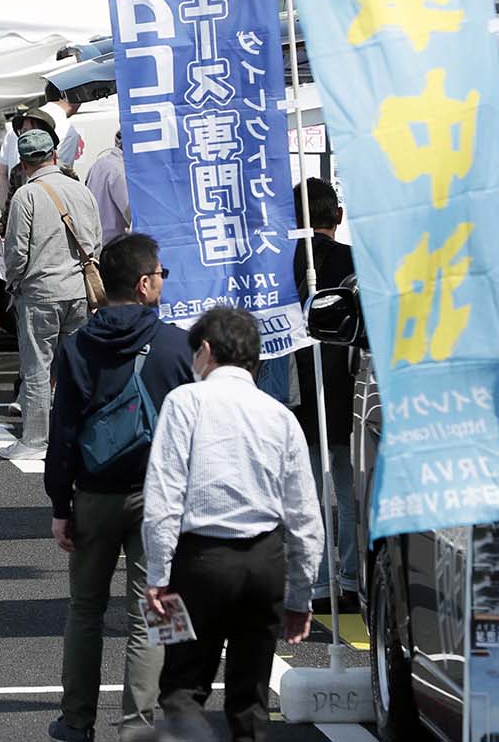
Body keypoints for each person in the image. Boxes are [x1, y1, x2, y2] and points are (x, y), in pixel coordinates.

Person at [142, 307, 322, 742]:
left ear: (204, 350)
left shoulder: (184, 402)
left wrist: (158, 575)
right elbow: (304, 516)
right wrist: (299, 596)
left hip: (201, 560)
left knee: (183, 689)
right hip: (265, 562)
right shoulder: (279, 415)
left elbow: (164, 496)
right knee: (250, 699)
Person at [43, 233, 193, 742]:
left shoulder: (77, 346)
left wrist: (60, 504)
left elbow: (61, 431)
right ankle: (140, 727)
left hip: (93, 494)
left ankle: (75, 721)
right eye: (161, 276)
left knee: (85, 609)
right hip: (158, 499)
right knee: (151, 612)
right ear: (146, 282)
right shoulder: (177, 346)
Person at [2, 128, 102, 460]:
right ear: (54, 155)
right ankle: (77, 438)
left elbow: (16, 252)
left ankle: (34, 441)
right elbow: (95, 243)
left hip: (40, 292)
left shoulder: (25, 196)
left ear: (23, 163)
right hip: (78, 292)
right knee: (75, 369)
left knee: (37, 369)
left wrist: (13, 284)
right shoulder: (80, 191)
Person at [290, 177, 360, 610]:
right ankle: (352, 579)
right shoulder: (355, 262)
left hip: (296, 392)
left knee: (307, 493)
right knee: (350, 490)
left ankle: (314, 582)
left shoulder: (280, 264)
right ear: (338, 215)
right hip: (349, 389)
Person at [0, 84, 85, 180]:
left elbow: (0, 171)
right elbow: (58, 177)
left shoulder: (23, 119)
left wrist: (9, 195)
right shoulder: (68, 129)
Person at [85, 130, 131, 244]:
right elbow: (132, 216)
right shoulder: (120, 170)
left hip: (98, 242)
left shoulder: (99, 164)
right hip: (116, 246)